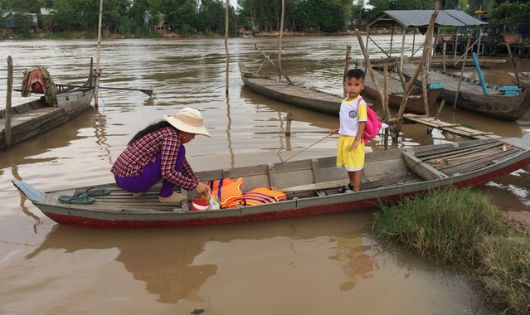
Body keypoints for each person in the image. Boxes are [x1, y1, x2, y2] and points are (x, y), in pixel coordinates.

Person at [111, 107, 212, 203]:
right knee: (179, 151)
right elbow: (168, 173)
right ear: (185, 130)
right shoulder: (172, 138)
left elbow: (182, 164)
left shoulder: (165, 131)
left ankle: (138, 190)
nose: (193, 138)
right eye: (193, 134)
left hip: (121, 178)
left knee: (177, 152)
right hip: (131, 181)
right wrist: (194, 185)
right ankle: (166, 195)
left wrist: (196, 181)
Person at [329, 68, 367, 192]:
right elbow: (348, 122)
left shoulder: (360, 103)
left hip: (354, 139)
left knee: (355, 166)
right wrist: (338, 130)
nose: (352, 88)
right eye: (349, 84)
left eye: (356, 85)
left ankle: (356, 188)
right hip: (344, 138)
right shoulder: (344, 102)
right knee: (349, 165)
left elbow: (362, 122)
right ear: (345, 85)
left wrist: (357, 140)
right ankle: (351, 184)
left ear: (362, 86)